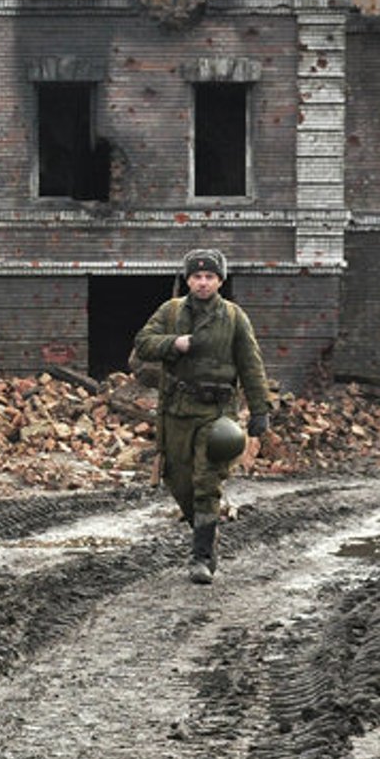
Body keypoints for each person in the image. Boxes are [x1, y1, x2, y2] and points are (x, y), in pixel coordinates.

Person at [134, 248, 272, 584]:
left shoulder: (235, 317)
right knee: (179, 482)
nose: (203, 282)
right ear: (188, 280)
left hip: (217, 414)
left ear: (220, 281)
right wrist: (173, 343)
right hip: (177, 411)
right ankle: (204, 529)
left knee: (206, 482)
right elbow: (143, 344)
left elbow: (251, 366)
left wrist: (259, 410)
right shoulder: (170, 311)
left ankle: (202, 557)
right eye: (197, 277)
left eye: (210, 277)